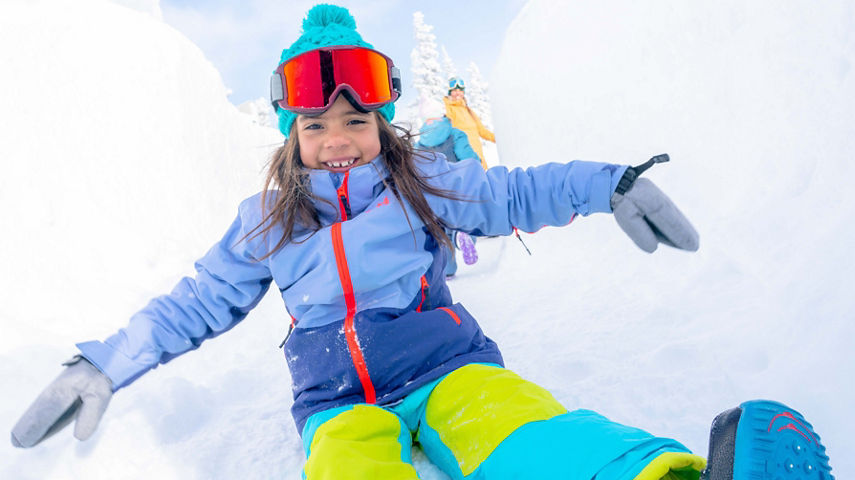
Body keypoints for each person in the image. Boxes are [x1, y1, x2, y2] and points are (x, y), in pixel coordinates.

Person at [11, 5, 835, 480]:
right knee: (348, 468)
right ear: (290, 132)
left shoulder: (422, 181)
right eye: (318, 124)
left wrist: (608, 183)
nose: (339, 139)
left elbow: (513, 190)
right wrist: (102, 365)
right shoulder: (266, 220)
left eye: (356, 121)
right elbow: (194, 304)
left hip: (449, 369)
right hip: (337, 402)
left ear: (380, 123)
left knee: (526, 434)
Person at [415, 97, 479, 277]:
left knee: (441, 232)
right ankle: (465, 236)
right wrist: (477, 166)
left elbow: (416, 167)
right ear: (442, 114)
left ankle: (449, 270)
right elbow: (468, 157)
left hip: (433, 192)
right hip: (457, 185)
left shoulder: (420, 142)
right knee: (464, 219)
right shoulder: (455, 133)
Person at [444, 76, 495, 169]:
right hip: (462, 160)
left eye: (460, 90)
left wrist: (498, 138)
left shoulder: (469, 111)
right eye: (454, 90)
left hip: (479, 159)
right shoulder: (448, 109)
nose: (458, 93)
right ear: (450, 92)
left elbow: (482, 131)